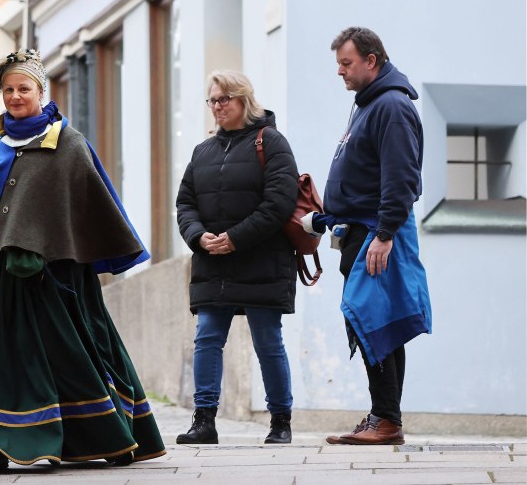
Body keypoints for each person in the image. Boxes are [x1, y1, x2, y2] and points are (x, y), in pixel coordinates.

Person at [0, 50, 164, 473]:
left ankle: (97, 434)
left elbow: (90, 204)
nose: (16, 96)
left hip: (52, 277)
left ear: (41, 91)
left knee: (66, 358)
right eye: (9, 90)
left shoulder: (68, 143)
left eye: (24, 89)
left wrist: (63, 246)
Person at [174, 70, 299, 445]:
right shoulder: (203, 150)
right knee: (207, 337)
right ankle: (204, 421)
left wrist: (236, 239)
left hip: (262, 259)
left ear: (244, 99)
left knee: (267, 340)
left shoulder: (272, 142)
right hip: (213, 260)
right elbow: (185, 204)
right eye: (212, 100)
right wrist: (199, 237)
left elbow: (279, 202)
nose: (216, 106)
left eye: (223, 99)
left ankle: (280, 422)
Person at [319, 27, 429, 446]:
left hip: (377, 235)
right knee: (371, 320)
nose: (341, 73)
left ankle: (385, 420)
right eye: (338, 65)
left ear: (372, 60)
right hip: (360, 231)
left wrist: (383, 234)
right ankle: (384, 416)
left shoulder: (392, 106)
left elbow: (401, 178)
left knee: (375, 320)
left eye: (346, 64)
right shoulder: (367, 105)